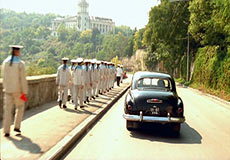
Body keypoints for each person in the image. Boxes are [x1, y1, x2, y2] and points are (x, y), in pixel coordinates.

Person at [1, 45, 28, 137]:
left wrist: (6, 87)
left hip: (8, 90)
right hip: (18, 91)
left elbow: (4, 77)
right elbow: (23, 79)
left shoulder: (5, 62)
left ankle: (6, 130)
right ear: (17, 52)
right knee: (20, 107)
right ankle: (17, 126)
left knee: (7, 110)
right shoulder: (20, 64)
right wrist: (24, 92)